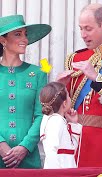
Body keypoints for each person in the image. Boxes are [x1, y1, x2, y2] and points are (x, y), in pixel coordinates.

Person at [57, 3, 102, 167]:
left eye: (88, 28)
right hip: (75, 142)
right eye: (80, 29)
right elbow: (65, 108)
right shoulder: (75, 58)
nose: (83, 34)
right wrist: (59, 89)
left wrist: (96, 78)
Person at [0, 15, 51, 168]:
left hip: (28, 158)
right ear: (3, 40)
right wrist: (1, 145)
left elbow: (41, 114)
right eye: (18, 34)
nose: (25, 39)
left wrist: (25, 146)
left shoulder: (39, 73)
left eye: (25, 34)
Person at [39, 82, 82, 169]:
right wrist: (57, 175)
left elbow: (70, 149)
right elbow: (51, 151)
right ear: (64, 103)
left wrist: (73, 124)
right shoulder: (55, 122)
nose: (70, 98)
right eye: (69, 96)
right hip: (60, 173)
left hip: (66, 170)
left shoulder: (56, 120)